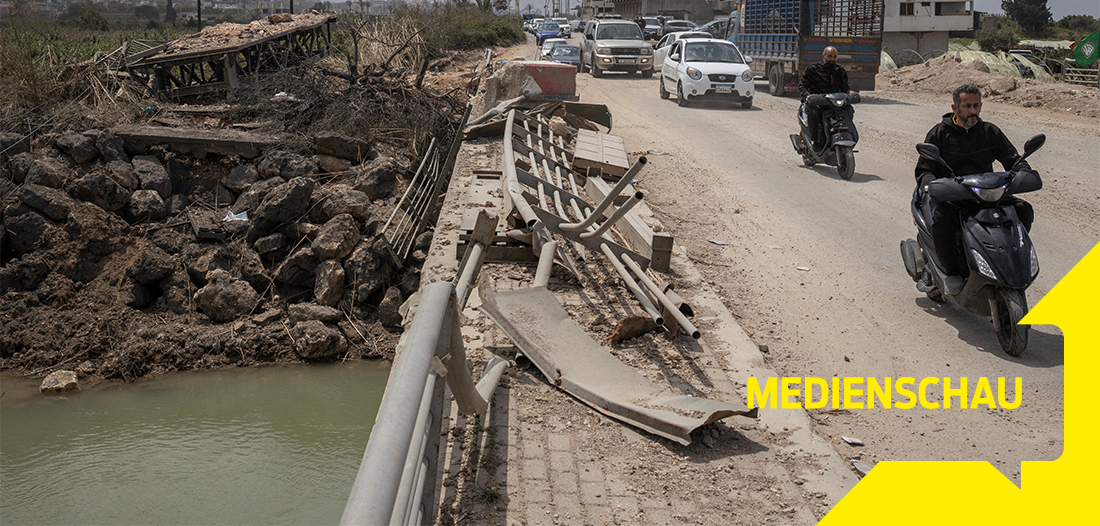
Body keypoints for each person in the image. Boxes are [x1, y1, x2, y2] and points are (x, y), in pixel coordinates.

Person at [914, 84, 1035, 294]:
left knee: (1023, 210)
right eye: (967, 106)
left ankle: (1011, 260)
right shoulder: (939, 133)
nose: (973, 111)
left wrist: (1023, 170)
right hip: (952, 195)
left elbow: (1012, 159)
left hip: (985, 193)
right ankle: (952, 273)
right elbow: (924, 170)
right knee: (942, 220)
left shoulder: (990, 131)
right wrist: (931, 186)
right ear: (955, 107)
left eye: (977, 106)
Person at [797, 46, 855, 150]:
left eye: (834, 57)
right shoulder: (812, 69)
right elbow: (802, 86)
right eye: (829, 56)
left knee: (848, 110)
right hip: (817, 103)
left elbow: (845, 87)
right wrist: (808, 95)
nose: (832, 59)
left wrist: (850, 93)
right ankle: (814, 140)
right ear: (824, 56)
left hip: (834, 103)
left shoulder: (839, 70)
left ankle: (846, 133)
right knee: (814, 112)